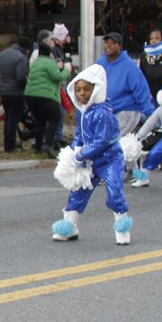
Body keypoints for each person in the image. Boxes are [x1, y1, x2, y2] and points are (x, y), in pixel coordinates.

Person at [50, 65, 133, 245]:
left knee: (114, 190)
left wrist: (81, 155)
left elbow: (101, 141)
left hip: (110, 159)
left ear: (97, 89)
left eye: (86, 89)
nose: (81, 93)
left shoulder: (103, 114)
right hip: (90, 161)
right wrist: (73, 151)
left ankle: (122, 227)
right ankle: (70, 225)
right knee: (79, 190)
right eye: (78, 89)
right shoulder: (83, 112)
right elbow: (80, 136)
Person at [95, 32, 153, 137]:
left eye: (113, 43)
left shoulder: (129, 66)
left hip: (126, 110)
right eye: (107, 43)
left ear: (120, 46)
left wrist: (149, 114)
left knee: (112, 141)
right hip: (106, 111)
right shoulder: (100, 63)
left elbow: (141, 90)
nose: (109, 45)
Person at [23, 30, 71, 157]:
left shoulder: (36, 63)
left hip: (30, 95)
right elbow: (57, 76)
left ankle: (38, 147)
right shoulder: (49, 63)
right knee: (55, 118)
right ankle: (48, 144)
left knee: (40, 121)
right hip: (45, 96)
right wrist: (66, 70)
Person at [0, 36, 29, 152]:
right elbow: (20, 77)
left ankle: (7, 142)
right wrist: (27, 86)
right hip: (16, 92)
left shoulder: (3, 54)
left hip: (4, 91)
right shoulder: (21, 58)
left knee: (8, 118)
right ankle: (10, 145)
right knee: (13, 119)